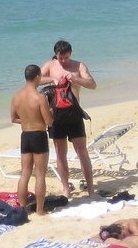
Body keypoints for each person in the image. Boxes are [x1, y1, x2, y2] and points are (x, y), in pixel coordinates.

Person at [40, 39, 96, 196]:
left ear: (70, 54)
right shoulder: (50, 66)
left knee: (82, 151)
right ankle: (65, 188)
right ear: (56, 55)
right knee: (60, 152)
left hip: (74, 113)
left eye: (66, 58)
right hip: (56, 115)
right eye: (60, 58)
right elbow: (35, 80)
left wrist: (76, 78)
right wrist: (52, 79)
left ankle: (91, 188)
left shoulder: (79, 66)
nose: (63, 61)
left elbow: (92, 85)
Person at [9, 63, 53, 215]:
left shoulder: (16, 97)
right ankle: (40, 210)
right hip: (38, 135)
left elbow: (14, 118)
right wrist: (51, 111)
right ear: (37, 77)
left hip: (25, 136)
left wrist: (27, 121)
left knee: (25, 172)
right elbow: (49, 121)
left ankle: (22, 208)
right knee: (40, 174)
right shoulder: (40, 97)